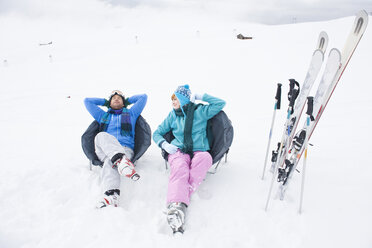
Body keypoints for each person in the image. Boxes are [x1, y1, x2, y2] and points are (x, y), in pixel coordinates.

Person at [153, 84, 226, 233]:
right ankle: (177, 205)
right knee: (180, 168)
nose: (173, 102)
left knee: (205, 158)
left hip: (199, 150)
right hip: (178, 150)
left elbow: (220, 103)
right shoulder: (173, 115)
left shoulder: (201, 112)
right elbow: (157, 133)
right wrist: (165, 144)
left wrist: (201, 97)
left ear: (184, 99)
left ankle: (183, 192)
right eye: (172, 99)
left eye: (176, 99)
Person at [84, 90, 148, 208]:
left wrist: (128, 100)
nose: (116, 99)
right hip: (104, 150)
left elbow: (143, 97)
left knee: (110, 162)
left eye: (119, 98)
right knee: (100, 136)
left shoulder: (131, 114)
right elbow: (87, 101)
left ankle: (112, 195)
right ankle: (121, 162)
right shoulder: (103, 116)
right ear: (110, 102)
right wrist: (105, 102)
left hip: (125, 150)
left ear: (124, 103)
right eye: (113, 98)